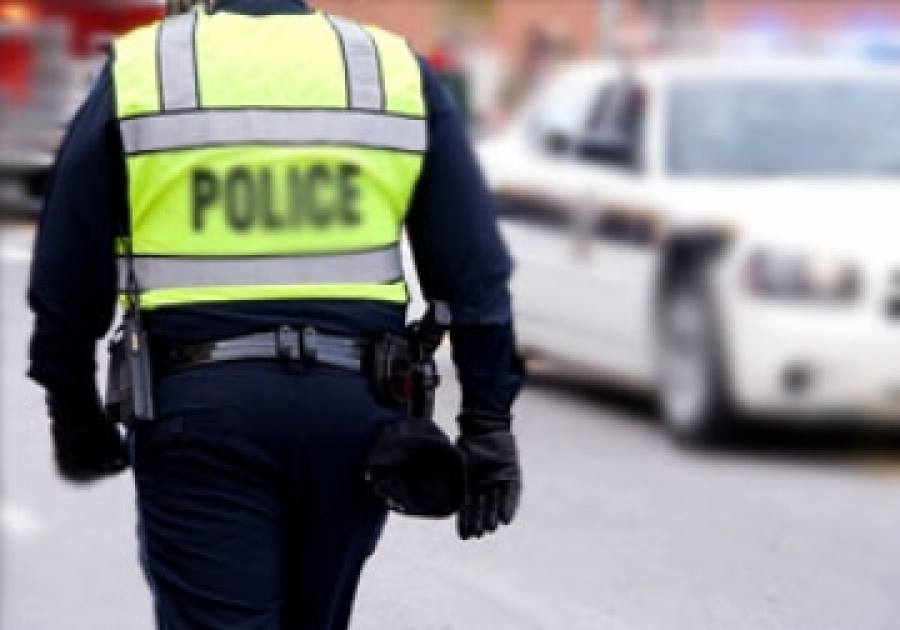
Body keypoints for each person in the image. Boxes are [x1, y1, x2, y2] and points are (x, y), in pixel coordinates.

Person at [27, 0, 523, 628]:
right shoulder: (389, 69)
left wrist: (71, 406)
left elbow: (68, 260)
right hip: (356, 415)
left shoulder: (147, 67)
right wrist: (487, 422)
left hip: (202, 412)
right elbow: (474, 269)